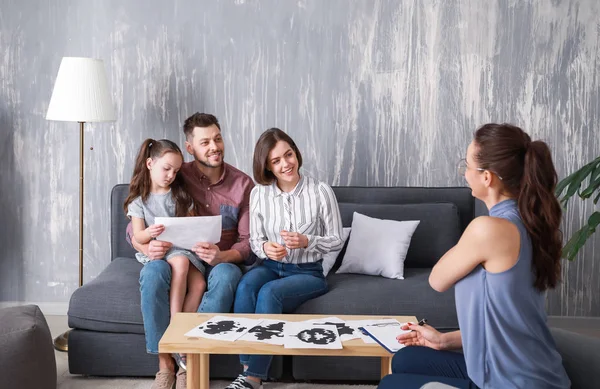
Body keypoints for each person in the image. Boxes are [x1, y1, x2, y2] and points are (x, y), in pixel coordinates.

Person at [378, 123, 571, 389]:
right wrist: (443, 340)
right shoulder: (530, 220)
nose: (465, 173)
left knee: (391, 385)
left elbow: (437, 280)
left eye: (467, 165)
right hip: (516, 369)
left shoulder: (488, 229)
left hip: (512, 383)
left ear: (487, 177)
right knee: (405, 359)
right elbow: (504, 321)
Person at [129, 113, 255, 389]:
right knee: (154, 271)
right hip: (176, 255)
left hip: (219, 258)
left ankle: (191, 356)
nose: (214, 147)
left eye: (218, 138)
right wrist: (146, 245)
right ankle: (165, 363)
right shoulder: (175, 173)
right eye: (205, 141)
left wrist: (222, 255)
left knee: (226, 276)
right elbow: (137, 224)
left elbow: (247, 242)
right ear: (190, 148)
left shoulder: (243, 185)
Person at [225, 128, 344, 389]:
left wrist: (307, 241)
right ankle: (246, 369)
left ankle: (254, 379)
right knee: (246, 286)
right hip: (269, 265)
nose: (285, 164)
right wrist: (267, 248)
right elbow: (255, 241)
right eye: (276, 161)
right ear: (267, 167)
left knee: (270, 293)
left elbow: (336, 239)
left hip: (307, 272)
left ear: (295, 152)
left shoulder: (321, 191)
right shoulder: (259, 194)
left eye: (288, 155)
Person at [124, 138, 207, 329]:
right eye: (166, 168)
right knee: (180, 261)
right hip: (162, 251)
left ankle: (181, 329)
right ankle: (174, 327)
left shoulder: (180, 196)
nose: (171, 175)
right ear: (150, 164)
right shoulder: (139, 202)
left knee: (199, 284)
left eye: (176, 171)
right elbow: (138, 237)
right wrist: (148, 231)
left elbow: (192, 226)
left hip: (183, 248)